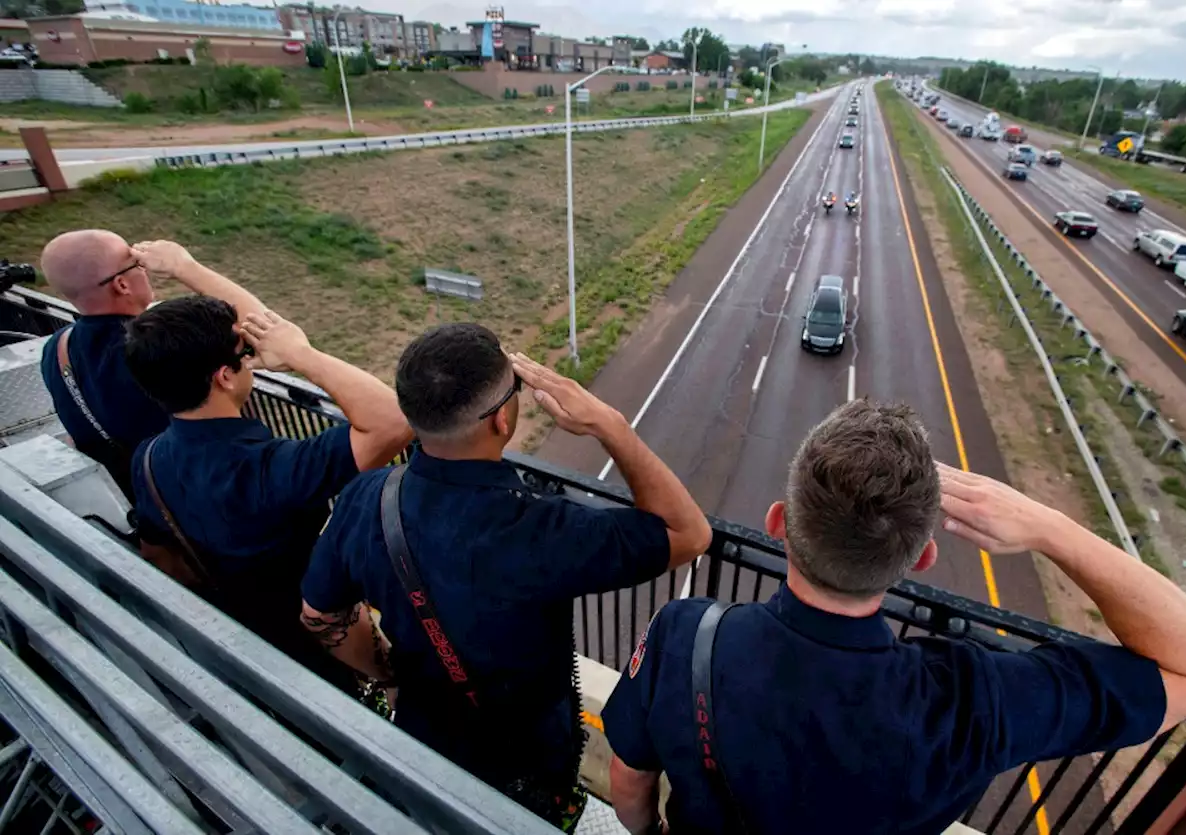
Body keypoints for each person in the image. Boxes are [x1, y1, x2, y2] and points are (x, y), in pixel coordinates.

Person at [602, 399, 1186, 835]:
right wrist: (1052, 529)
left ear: (778, 525)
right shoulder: (975, 702)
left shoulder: (682, 637)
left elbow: (629, 782)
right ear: (923, 557)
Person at [299, 324, 712, 831]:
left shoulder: (368, 498)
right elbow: (690, 533)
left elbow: (319, 614)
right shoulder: (543, 529)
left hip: (421, 743)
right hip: (530, 762)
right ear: (500, 421)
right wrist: (610, 426)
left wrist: (386, 675)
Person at [123, 298, 411, 688]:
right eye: (247, 353)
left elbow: (159, 554)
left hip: (241, 638)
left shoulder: (149, 458)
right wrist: (301, 355)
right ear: (225, 376)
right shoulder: (274, 470)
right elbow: (394, 420)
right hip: (317, 654)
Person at [38, 233, 264, 502]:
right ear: (122, 284)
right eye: (137, 264)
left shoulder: (56, 348)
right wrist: (184, 267)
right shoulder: (163, 349)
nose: (145, 269)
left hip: (144, 497)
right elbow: (265, 327)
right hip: (214, 494)